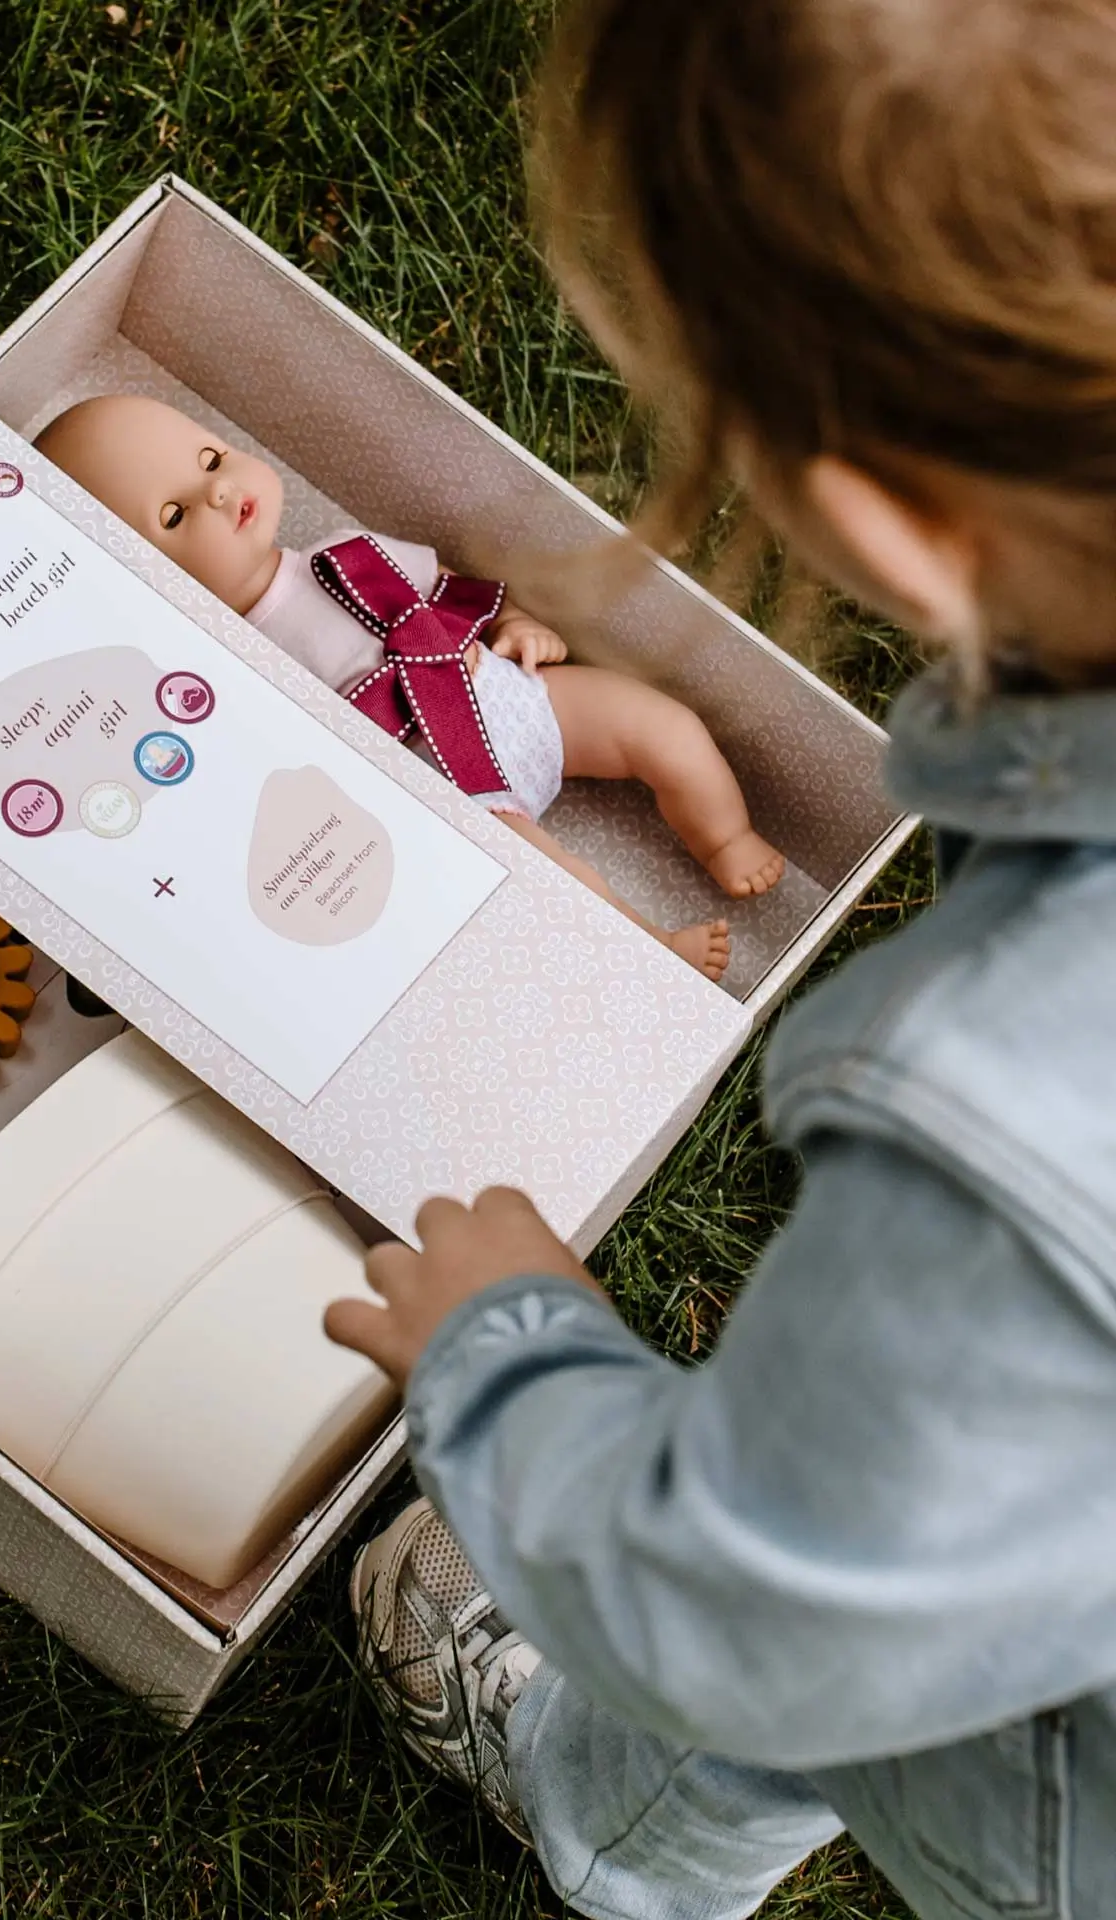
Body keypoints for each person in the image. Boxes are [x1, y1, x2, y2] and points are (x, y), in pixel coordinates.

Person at [323, 2, 1116, 1916]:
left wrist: (506, 1357)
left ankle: (618, 1822)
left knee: (835, 1632)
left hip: (1040, 1784)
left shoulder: (1007, 1124)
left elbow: (758, 1609)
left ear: (876, 522)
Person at [36, 390, 782, 978]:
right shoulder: (226, 672)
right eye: (173, 514)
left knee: (663, 727)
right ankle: (652, 947)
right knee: (561, 881)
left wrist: (514, 623)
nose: (221, 494)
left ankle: (725, 835)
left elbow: (449, 587)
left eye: (209, 459)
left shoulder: (344, 553)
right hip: (452, 799)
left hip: (505, 695)